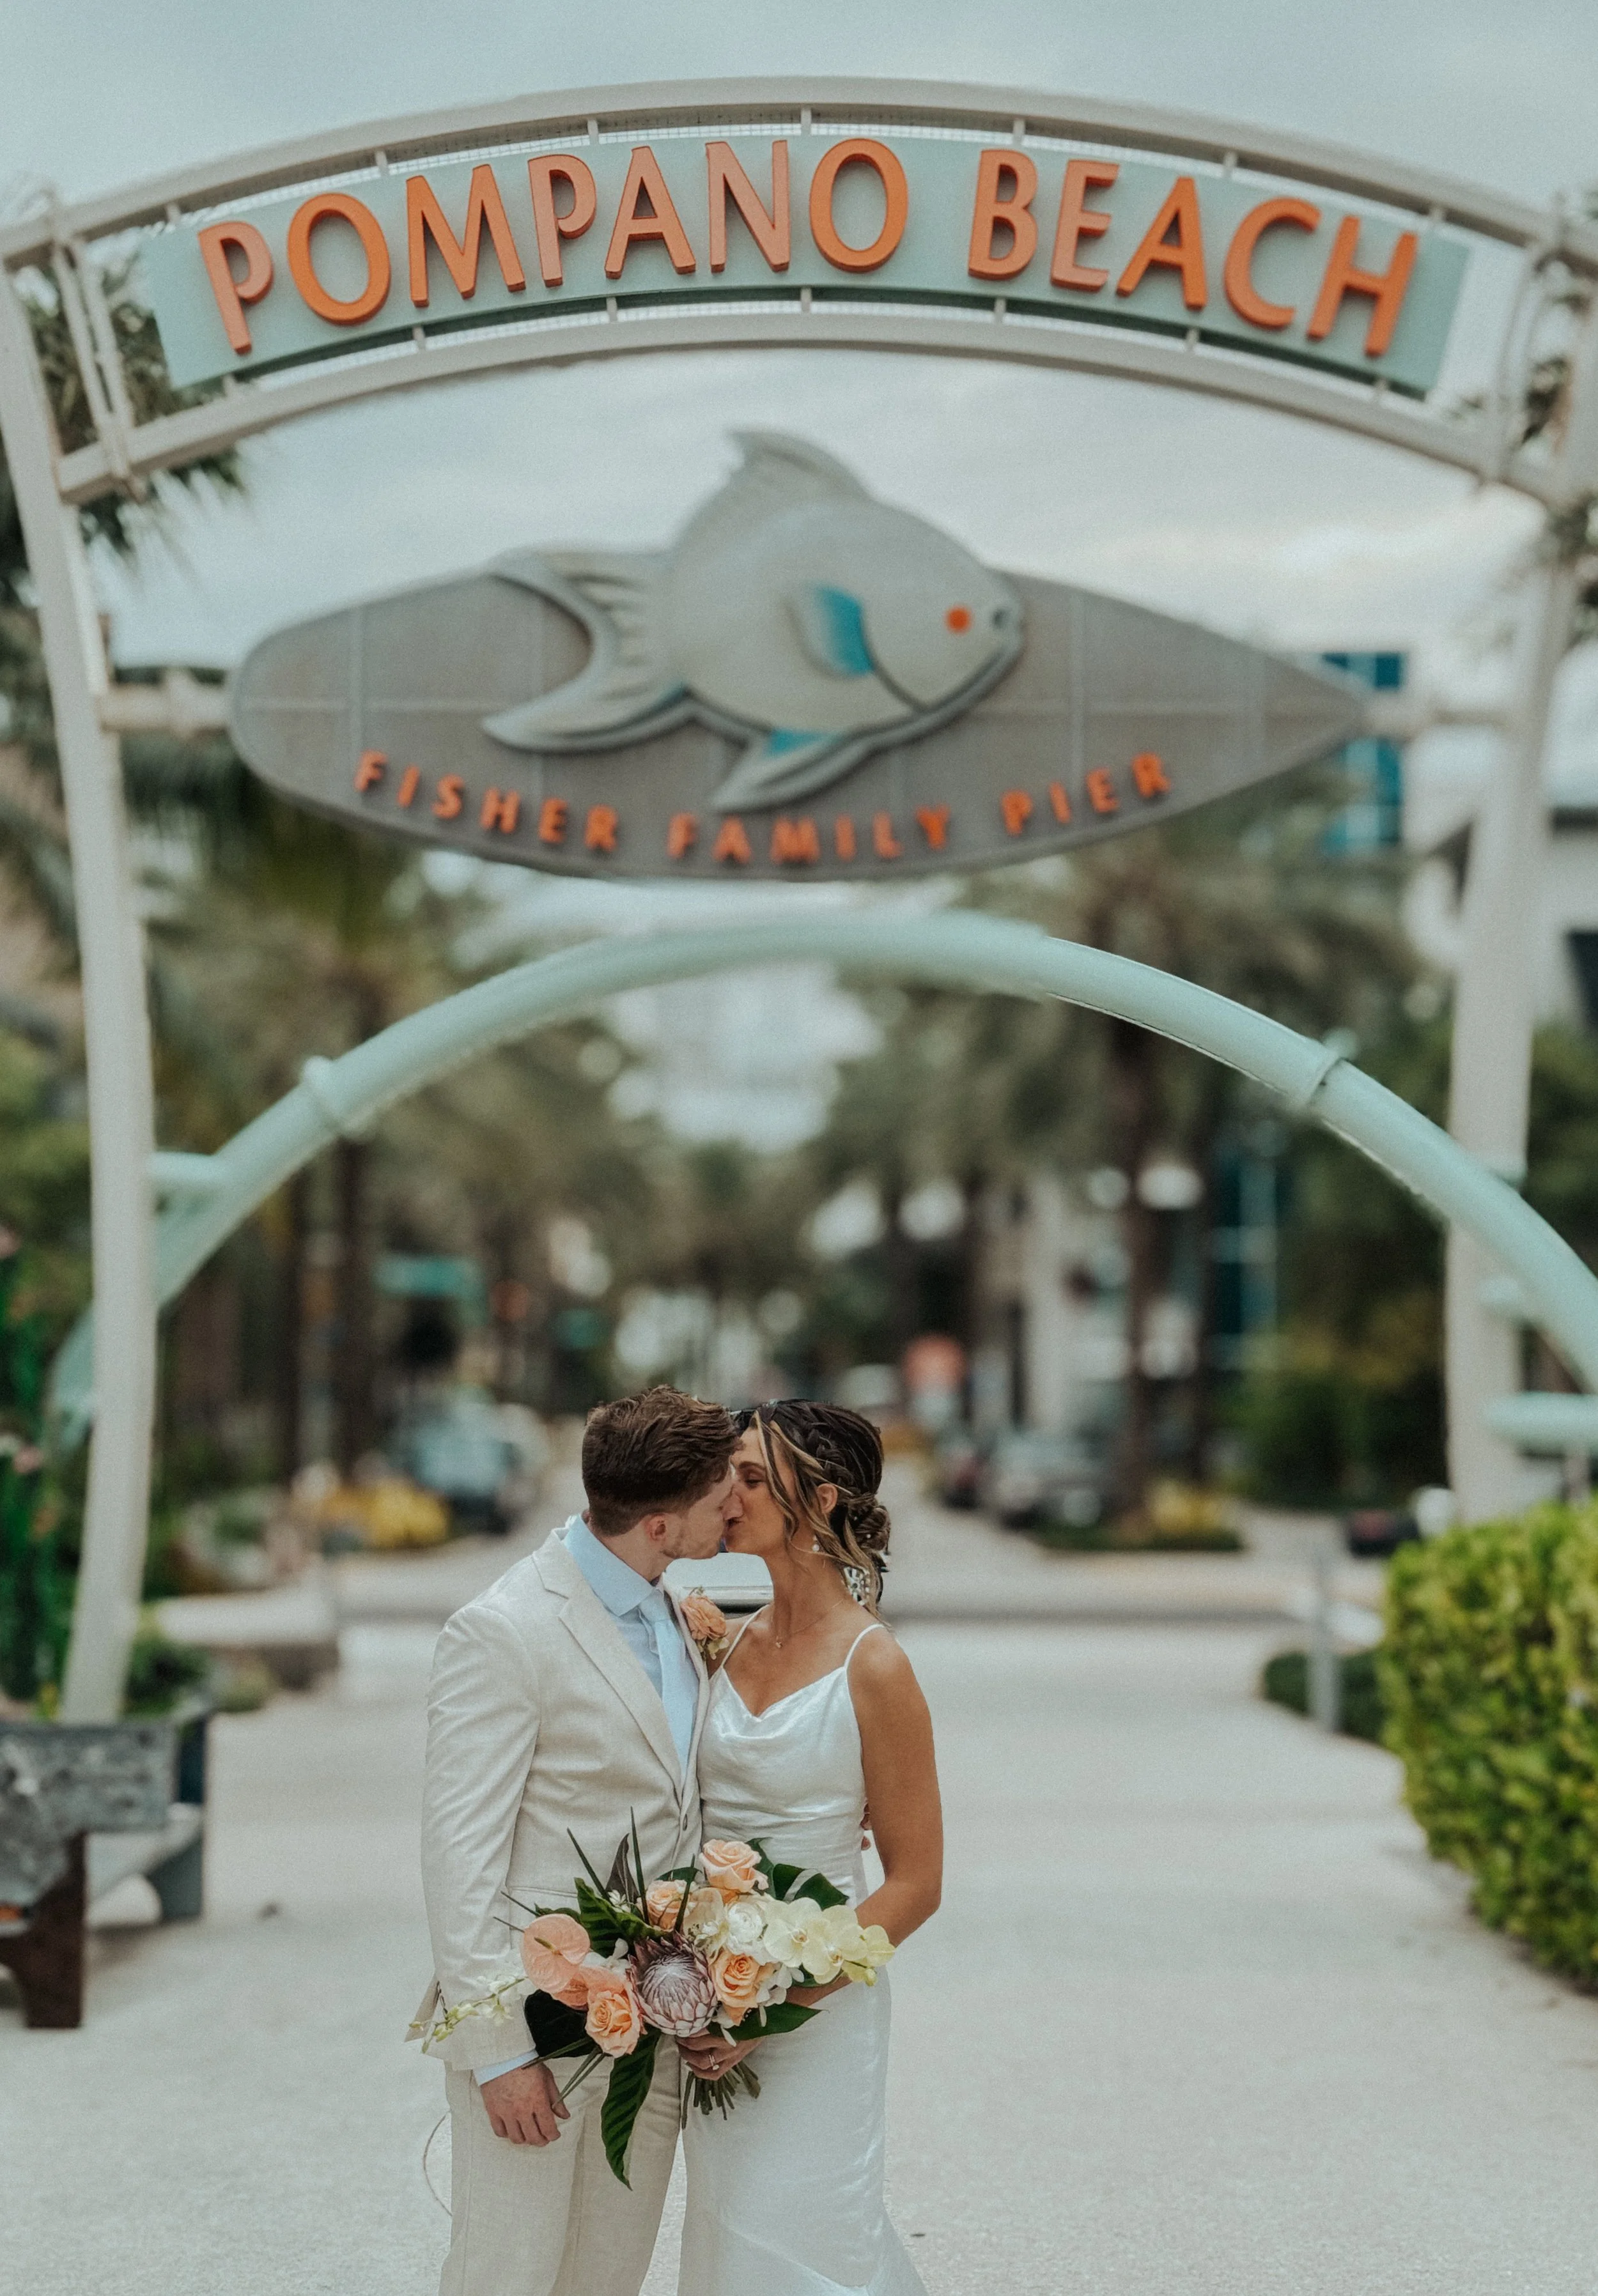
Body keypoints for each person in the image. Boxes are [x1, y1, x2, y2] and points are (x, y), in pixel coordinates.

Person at [412, 1385, 736, 2296]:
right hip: (538, 2028)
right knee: (505, 2273)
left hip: (656, 2033)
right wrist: (500, 2054)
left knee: (608, 2278)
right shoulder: (503, 1630)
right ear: (665, 1524)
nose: (736, 1511)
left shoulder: (682, 1612)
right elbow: (458, 1857)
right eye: (721, 1500)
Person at [677, 1401, 943, 2295]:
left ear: (821, 1500)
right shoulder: (718, 1639)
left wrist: (772, 2006)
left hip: (817, 2008)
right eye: (729, 1476)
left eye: (753, 1478)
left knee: (811, 2230)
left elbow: (916, 1885)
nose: (729, 1494)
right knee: (731, 2230)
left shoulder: (874, 1665)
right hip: (712, 1997)